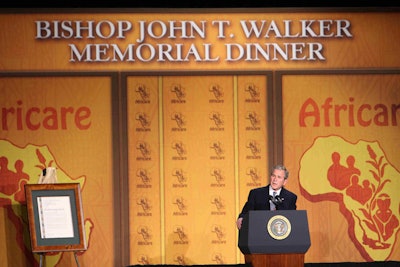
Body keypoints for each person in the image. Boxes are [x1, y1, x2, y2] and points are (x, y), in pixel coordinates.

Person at [236, 164, 297, 230]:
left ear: (284, 182)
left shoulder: (291, 197)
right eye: (273, 176)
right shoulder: (256, 194)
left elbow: (292, 219)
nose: (275, 179)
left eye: (279, 177)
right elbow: (246, 213)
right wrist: (241, 218)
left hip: (280, 234)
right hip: (259, 232)